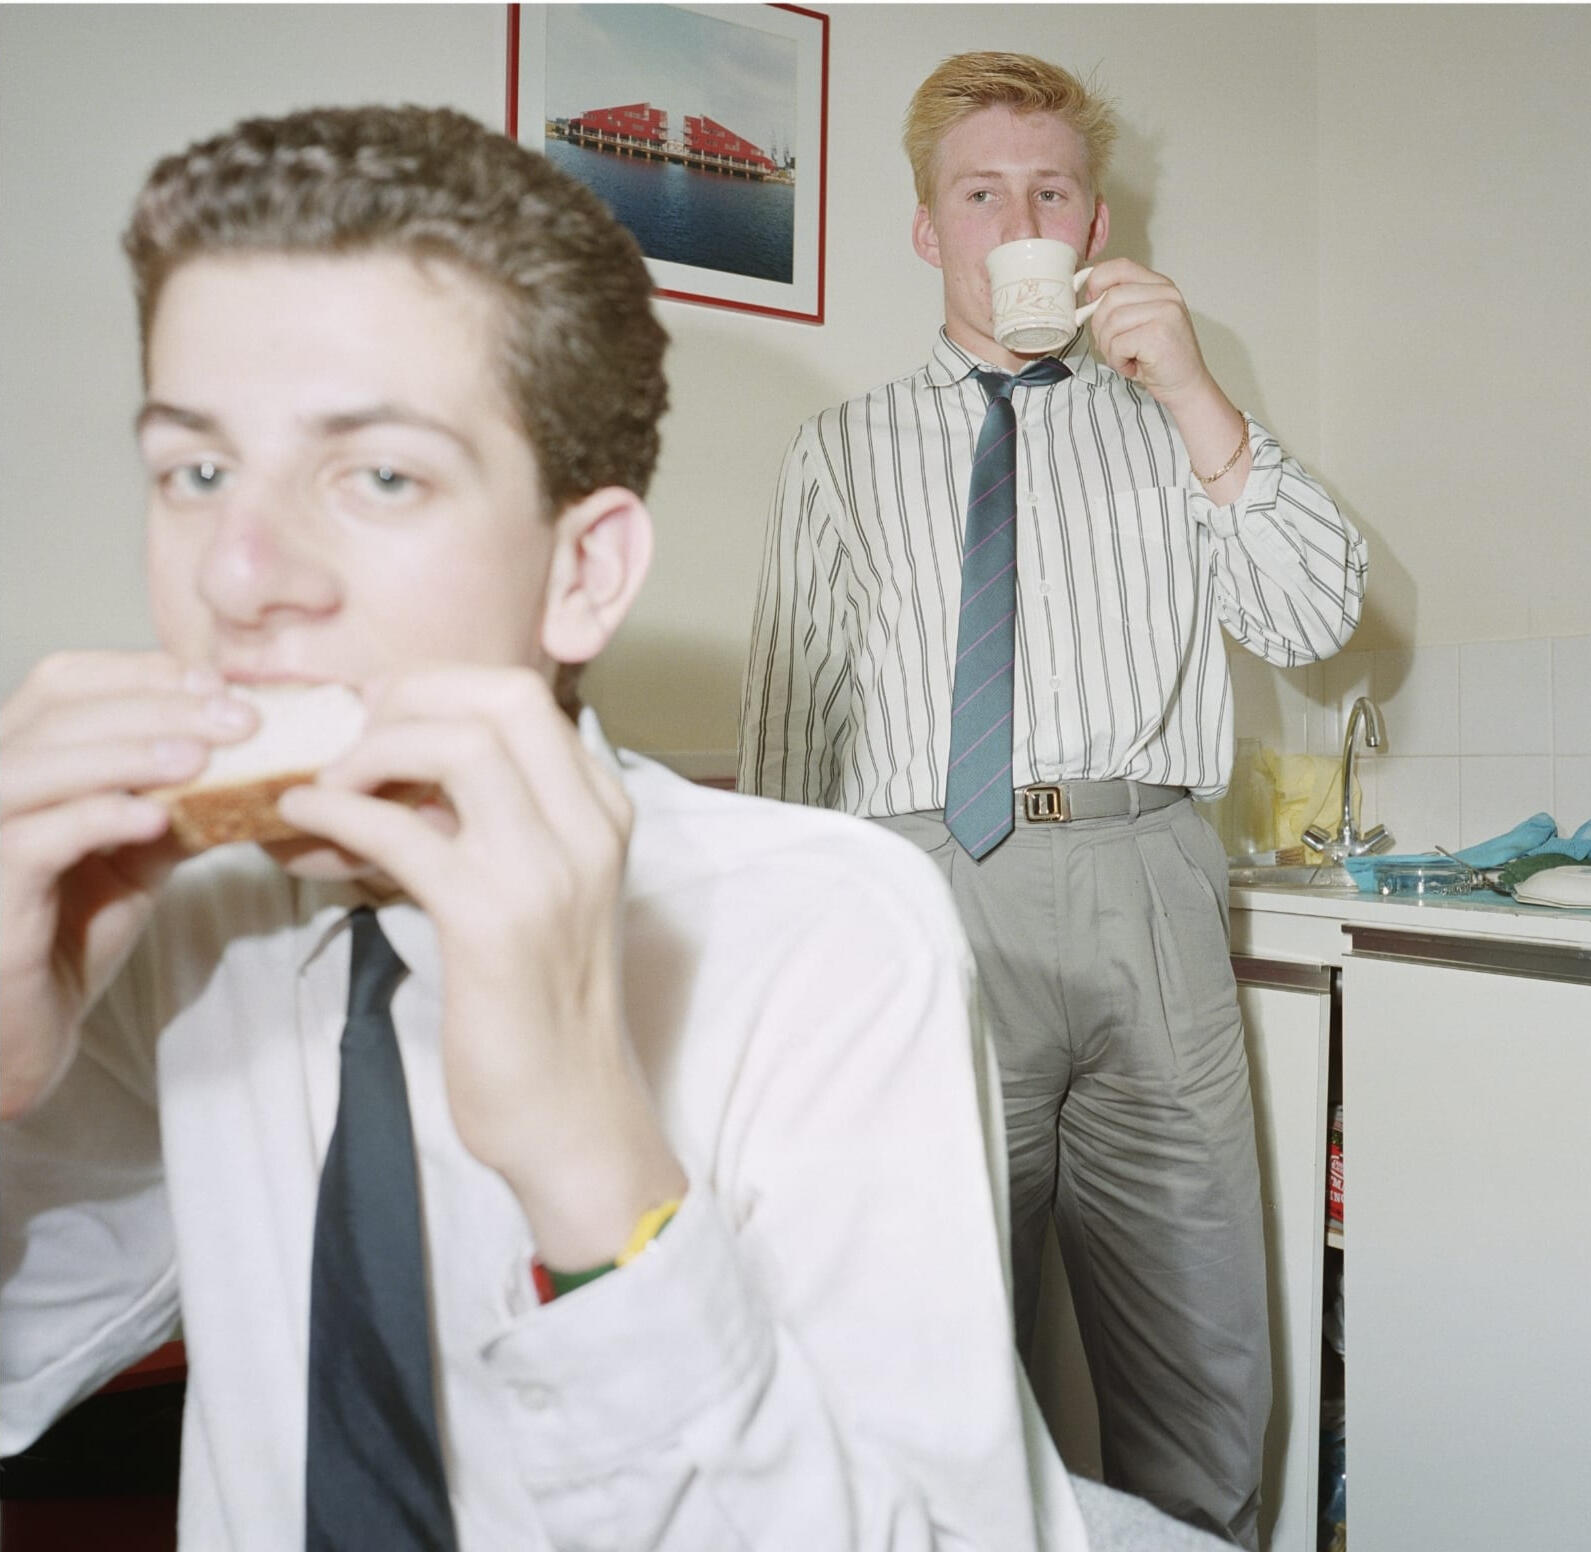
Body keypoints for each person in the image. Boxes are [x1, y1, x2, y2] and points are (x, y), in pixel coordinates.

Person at [0, 102, 1177, 1552]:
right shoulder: (176, 923)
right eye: (195, 471)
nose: (240, 578)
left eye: (379, 475)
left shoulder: (820, 932)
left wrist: (587, 1155)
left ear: (584, 574)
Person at [740, 52, 1368, 1550]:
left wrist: (1202, 393)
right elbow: (788, 732)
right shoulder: (839, 449)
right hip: (921, 894)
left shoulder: (1171, 418)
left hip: (1150, 877)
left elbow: (1316, 616)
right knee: (932, 1345)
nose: (1015, 215)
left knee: (1204, 1346)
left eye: (1048, 190)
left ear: (1089, 227)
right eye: (980, 193)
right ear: (928, 229)